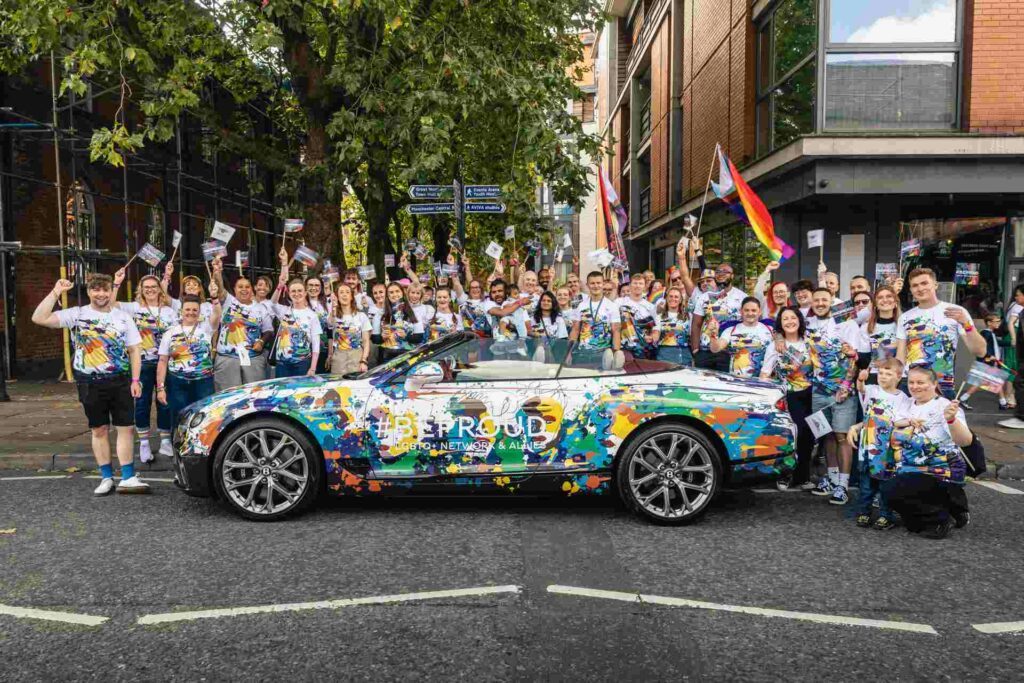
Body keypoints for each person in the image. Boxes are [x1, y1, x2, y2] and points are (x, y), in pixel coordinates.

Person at [32, 274, 149, 495]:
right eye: (96, 290)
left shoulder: (123, 318)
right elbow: (39, 318)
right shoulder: (77, 315)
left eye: (104, 289)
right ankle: (106, 477)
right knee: (99, 429)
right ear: (89, 292)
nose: (101, 294)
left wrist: (136, 380)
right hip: (90, 382)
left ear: (110, 291)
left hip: (121, 381)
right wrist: (56, 291)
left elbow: (135, 350)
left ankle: (128, 476)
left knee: (126, 428)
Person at [884, 366, 973, 538]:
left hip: (940, 470)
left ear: (934, 384)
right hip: (909, 468)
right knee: (892, 496)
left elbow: (965, 441)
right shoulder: (906, 404)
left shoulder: (946, 406)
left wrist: (951, 419)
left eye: (921, 382)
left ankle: (942, 519)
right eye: (911, 382)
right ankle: (952, 509)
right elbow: (889, 423)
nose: (915, 386)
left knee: (895, 489)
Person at [807, 287, 867, 504]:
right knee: (826, 435)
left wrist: (845, 385)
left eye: (825, 299)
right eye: (817, 300)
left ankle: (843, 485)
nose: (820, 303)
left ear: (832, 301)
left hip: (843, 391)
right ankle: (831, 479)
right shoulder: (810, 324)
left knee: (842, 436)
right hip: (818, 390)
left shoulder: (846, 323)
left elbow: (854, 357)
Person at [111, 270, 176, 462]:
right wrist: (117, 283)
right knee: (142, 403)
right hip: (142, 363)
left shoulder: (169, 312)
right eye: (146, 287)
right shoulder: (133, 308)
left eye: (153, 287)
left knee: (165, 402)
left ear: (160, 290)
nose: (150, 290)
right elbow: (111, 304)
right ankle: (145, 444)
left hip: (164, 363)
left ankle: (165, 442)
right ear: (141, 289)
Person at [896, 268, 986, 399]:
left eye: (924, 283)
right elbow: (901, 355)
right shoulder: (905, 317)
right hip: (910, 384)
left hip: (942, 383)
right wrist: (895, 382)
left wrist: (966, 324)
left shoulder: (956, 312)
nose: (920, 288)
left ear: (935, 285)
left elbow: (980, 351)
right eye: (915, 285)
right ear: (911, 290)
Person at [846, 359, 913, 530]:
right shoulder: (872, 390)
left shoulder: (903, 398)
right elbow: (860, 388)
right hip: (867, 446)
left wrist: (912, 421)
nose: (883, 377)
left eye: (888, 374)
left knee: (885, 484)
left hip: (887, 448)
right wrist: (861, 379)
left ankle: (886, 515)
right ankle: (864, 512)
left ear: (899, 377)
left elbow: (900, 420)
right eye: (881, 373)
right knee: (866, 483)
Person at [760, 306, 816, 490]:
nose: (790, 321)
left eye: (793, 317)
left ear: (800, 320)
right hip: (788, 395)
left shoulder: (810, 342)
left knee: (810, 435)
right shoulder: (776, 345)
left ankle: (803, 477)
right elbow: (765, 373)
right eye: (785, 319)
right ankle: (785, 475)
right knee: (793, 434)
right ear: (780, 324)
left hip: (813, 394)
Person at [156, 293, 219, 435]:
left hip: (203, 382)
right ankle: (178, 451)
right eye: (188, 309)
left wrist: (214, 298)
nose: (191, 313)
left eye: (195, 310)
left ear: (199, 312)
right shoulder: (170, 333)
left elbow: (217, 313)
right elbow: (162, 361)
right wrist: (160, 388)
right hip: (177, 381)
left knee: (204, 417)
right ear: (181, 311)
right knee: (179, 417)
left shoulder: (207, 329)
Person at [211, 273, 274, 392]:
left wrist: (261, 341)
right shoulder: (228, 302)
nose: (244, 289)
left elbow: (269, 330)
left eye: (247, 286)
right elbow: (219, 288)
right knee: (227, 397)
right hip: (227, 359)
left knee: (254, 396)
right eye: (240, 287)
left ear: (252, 289)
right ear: (234, 289)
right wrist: (218, 271)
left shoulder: (261, 308)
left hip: (253, 359)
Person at [269, 248, 322, 377]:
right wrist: (280, 285)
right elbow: (273, 303)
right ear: (289, 293)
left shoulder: (312, 315)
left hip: (302, 363)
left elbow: (316, 344)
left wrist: (313, 368)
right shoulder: (284, 311)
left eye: (299, 291)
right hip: (282, 363)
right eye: (293, 291)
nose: (296, 294)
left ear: (305, 293)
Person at [690, 263, 747, 372]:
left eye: (725, 271)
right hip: (705, 352)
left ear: (732, 275)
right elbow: (696, 324)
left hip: (730, 352)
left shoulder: (742, 298)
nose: (721, 274)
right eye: (718, 272)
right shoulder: (704, 297)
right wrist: (695, 350)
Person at [708, 297, 774, 378]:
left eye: (753, 310)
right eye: (746, 310)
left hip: (763, 383)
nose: (750, 313)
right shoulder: (731, 330)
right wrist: (713, 334)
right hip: (736, 382)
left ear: (760, 312)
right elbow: (715, 349)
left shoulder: (770, 330)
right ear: (741, 312)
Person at [568, 271, 622, 368]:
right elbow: (575, 330)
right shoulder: (581, 306)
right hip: (582, 353)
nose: (595, 286)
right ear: (587, 285)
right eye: (592, 283)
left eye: (598, 283)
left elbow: (616, 331)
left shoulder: (612, 306)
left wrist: (616, 353)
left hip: (603, 354)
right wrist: (568, 353)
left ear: (603, 284)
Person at [960, 313, 1007, 411]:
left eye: (999, 321)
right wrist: (989, 356)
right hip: (987, 362)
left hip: (991, 362)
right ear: (989, 323)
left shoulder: (991, 333)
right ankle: (963, 399)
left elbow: (997, 343)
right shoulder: (986, 333)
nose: (999, 323)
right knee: (981, 382)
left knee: (996, 381)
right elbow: (981, 346)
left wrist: (1012, 343)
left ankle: (1003, 403)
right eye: (997, 321)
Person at [859, 285, 901, 385]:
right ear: (875, 304)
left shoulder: (903, 325)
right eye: (880, 297)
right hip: (874, 376)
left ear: (895, 302)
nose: (885, 300)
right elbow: (864, 358)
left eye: (889, 296)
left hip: (898, 377)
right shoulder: (866, 327)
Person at [327, 283, 371, 375]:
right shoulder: (333, 316)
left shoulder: (361, 316)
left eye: (347, 292)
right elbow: (330, 323)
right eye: (341, 292)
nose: (344, 294)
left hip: (357, 356)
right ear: (337, 297)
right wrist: (333, 306)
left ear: (351, 297)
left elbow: (366, 341)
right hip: (338, 357)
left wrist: (364, 360)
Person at [373, 282, 422, 361]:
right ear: (387, 296)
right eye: (391, 292)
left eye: (397, 291)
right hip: (386, 356)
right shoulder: (380, 314)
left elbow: (419, 338)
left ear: (402, 293)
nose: (394, 294)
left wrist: (406, 336)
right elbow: (375, 339)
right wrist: (382, 337)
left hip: (408, 356)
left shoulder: (414, 312)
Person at [483, 279, 531, 358]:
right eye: (493, 292)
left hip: (518, 350)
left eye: (500, 291)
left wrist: (514, 326)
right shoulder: (488, 304)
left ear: (506, 292)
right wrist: (520, 303)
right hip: (499, 351)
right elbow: (502, 312)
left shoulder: (519, 307)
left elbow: (528, 328)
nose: (497, 294)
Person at [617, 273, 659, 360]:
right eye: (635, 283)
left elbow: (657, 327)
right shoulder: (619, 302)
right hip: (624, 349)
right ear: (629, 285)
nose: (637, 286)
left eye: (640, 283)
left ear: (644, 286)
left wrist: (653, 336)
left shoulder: (650, 306)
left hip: (644, 350)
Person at [999, 285, 1024, 425]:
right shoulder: (1019, 309)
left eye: (1018, 295)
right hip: (1020, 351)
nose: (1016, 297)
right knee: (1017, 377)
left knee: (1018, 379)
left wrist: (1014, 338)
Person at [528, 290, 569, 363]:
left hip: (554, 353)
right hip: (536, 352)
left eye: (549, 301)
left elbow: (562, 340)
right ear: (540, 302)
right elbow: (528, 337)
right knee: (540, 349)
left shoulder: (559, 319)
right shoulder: (532, 319)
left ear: (553, 303)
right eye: (543, 300)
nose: (546, 302)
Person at [653, 287, 688, 365]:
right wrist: (653, 337)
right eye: (670, 296)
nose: (673, 299)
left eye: (676, 297)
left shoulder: (688, 317)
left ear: (680, 300)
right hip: (665, 355)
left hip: (684, 355)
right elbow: (656, 333)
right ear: (666, 298)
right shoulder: (659, 316)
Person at [306, 276, 332, 374]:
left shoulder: (326, 305)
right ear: (305, 287)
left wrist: (330, 354)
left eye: (317, 285)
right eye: (310, 285)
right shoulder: (301, 303)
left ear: (320, 288)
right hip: (306, 352)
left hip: (323, 351)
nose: (314, 288)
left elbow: (330, 331)